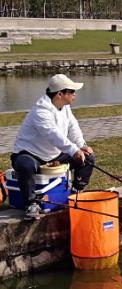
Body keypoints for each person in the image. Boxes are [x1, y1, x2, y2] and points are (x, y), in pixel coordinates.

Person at [11, 74, 95, 220]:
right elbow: (52, 134)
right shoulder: (41, 110)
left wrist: (81, 146)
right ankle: (31, 203)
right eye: (71, 91)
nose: (75, 94)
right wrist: (73, 149)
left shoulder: (64, 107)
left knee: (88, 158)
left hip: (54, 154)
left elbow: (73, 127)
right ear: (60, 94)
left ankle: (75, 192)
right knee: (25, 165)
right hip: (29, 153)